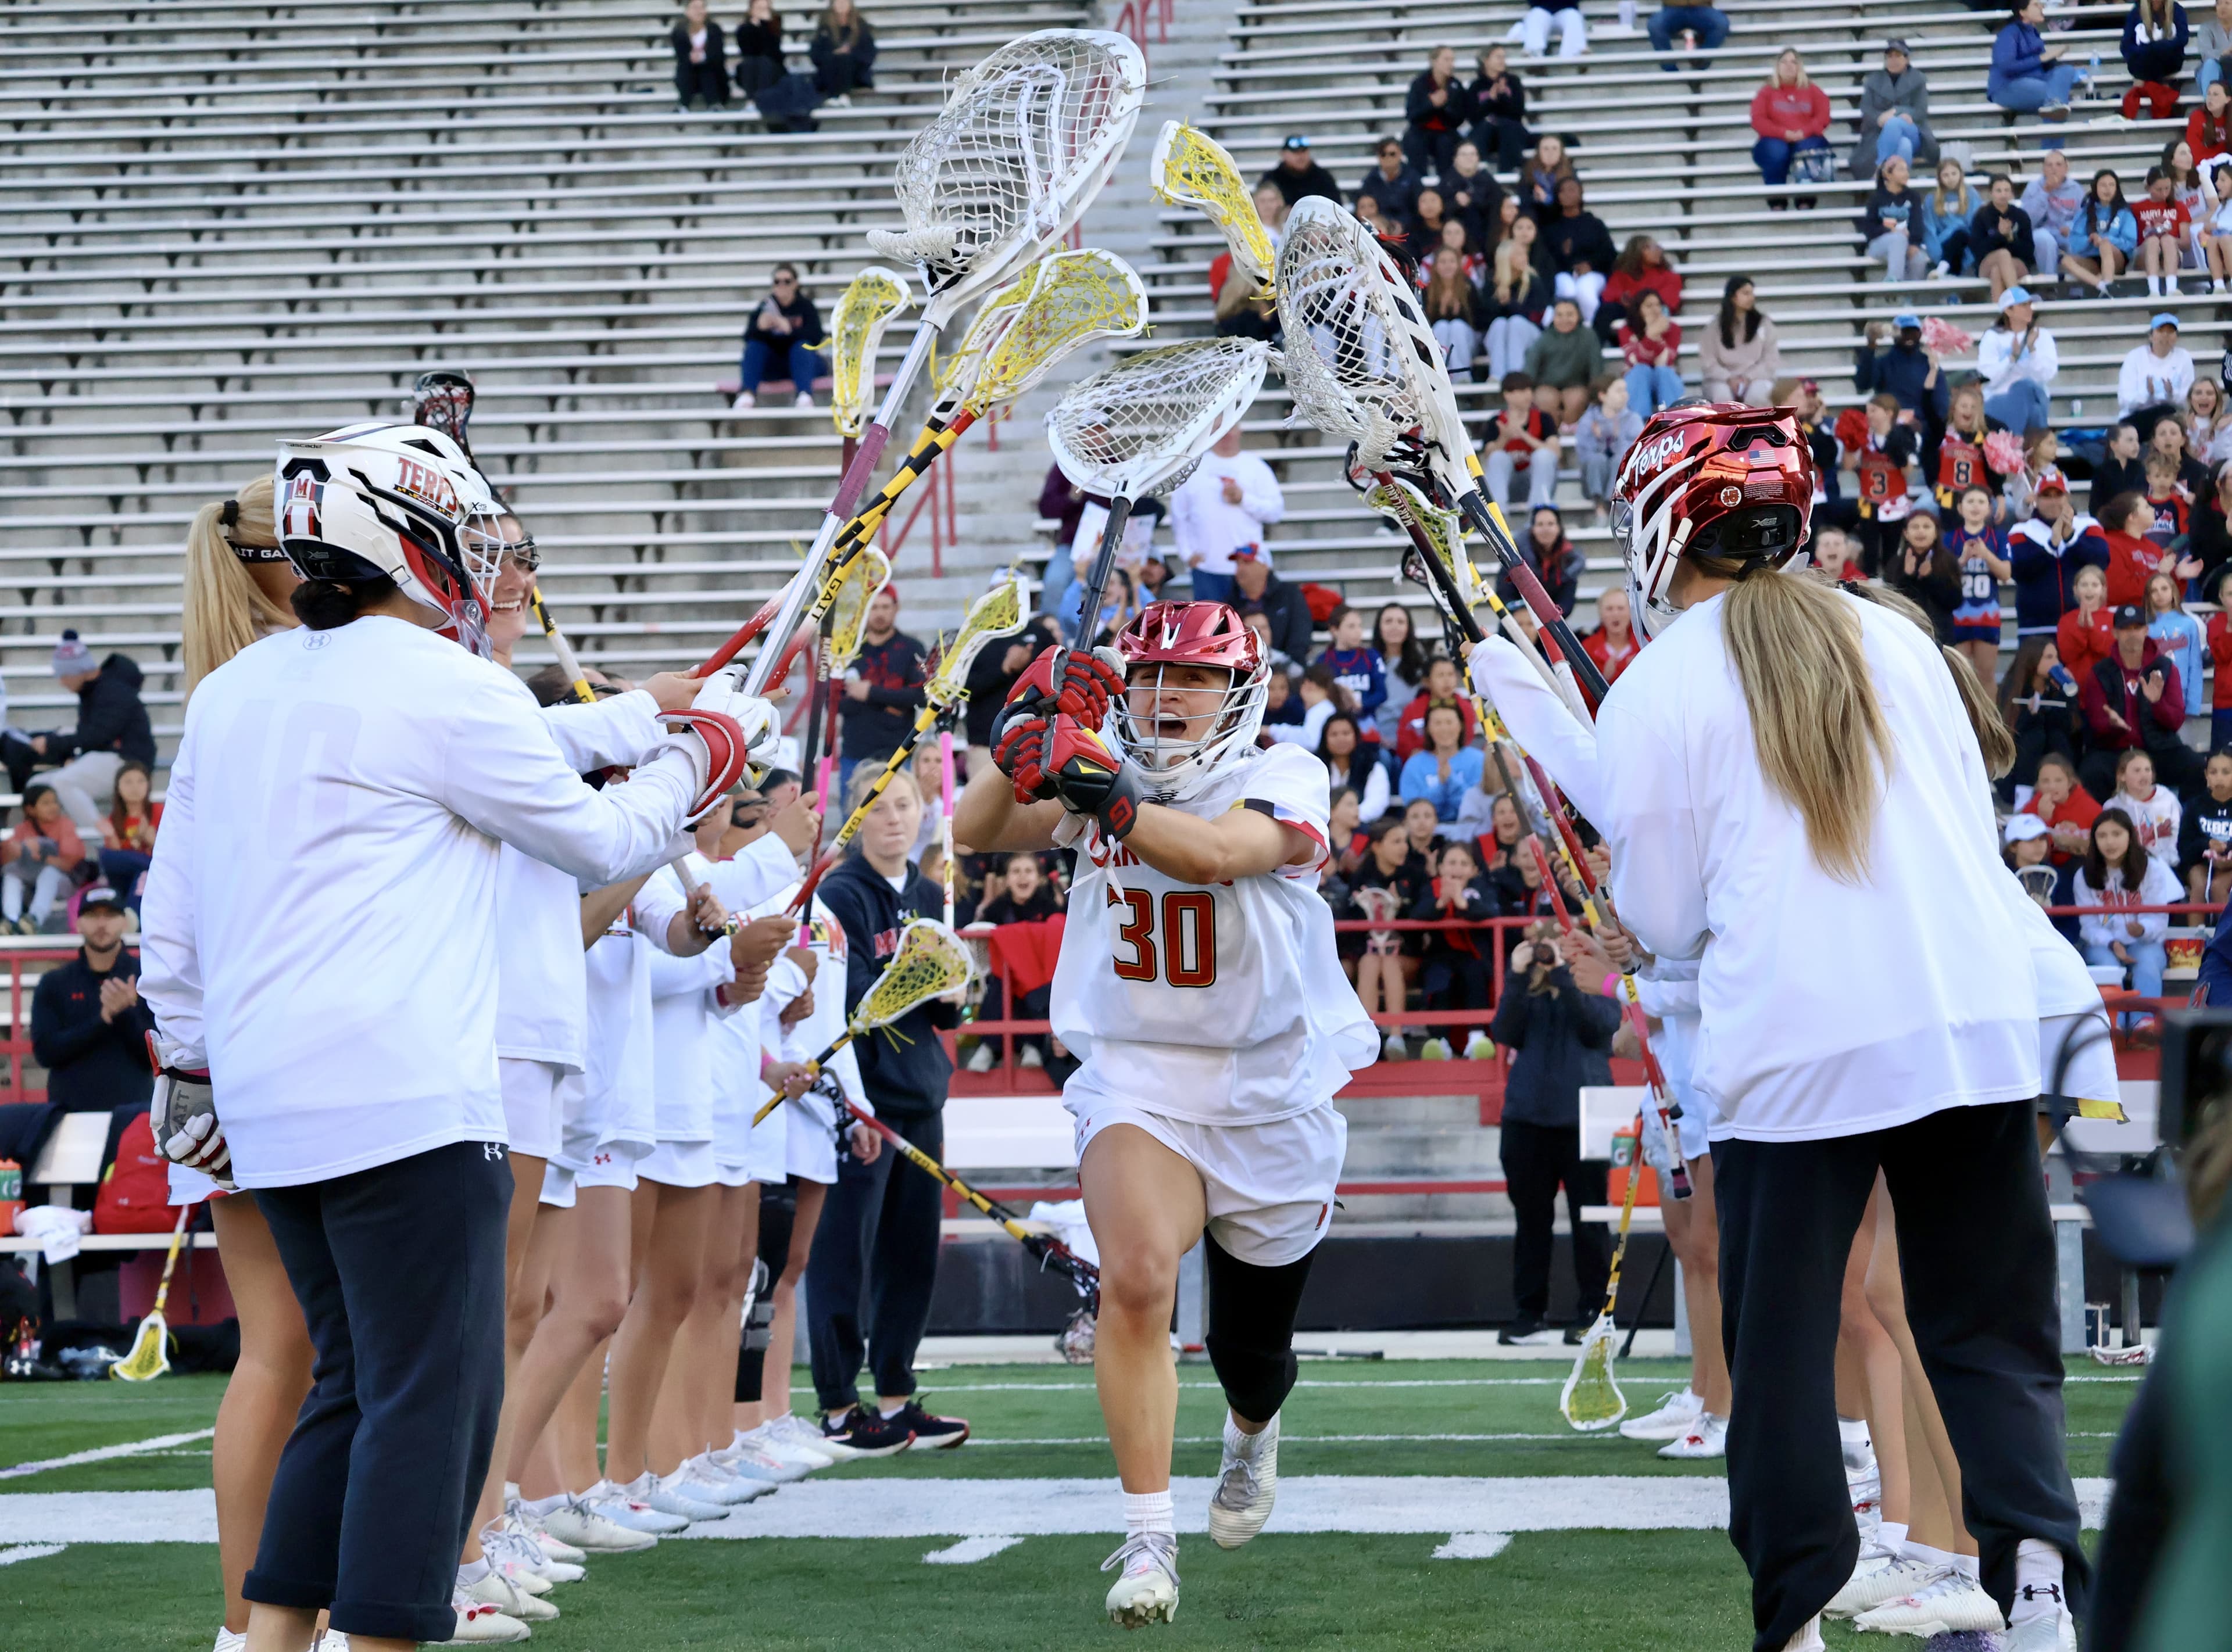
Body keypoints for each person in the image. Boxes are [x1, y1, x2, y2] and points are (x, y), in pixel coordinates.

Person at [1480, 402, 2084, 1652]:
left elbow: (1666, 917)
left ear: (1666, 526)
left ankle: (1796, 1615)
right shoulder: (1894, 636)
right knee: (1991, 1334)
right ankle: (2037, 1593)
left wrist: (1616, 841)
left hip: (1798, 1044)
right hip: (1973, 1019)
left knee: (1783, 1352)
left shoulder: (1662, 682)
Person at [138, 422, 750, 1651]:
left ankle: (271, 1638)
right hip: (407, 1099)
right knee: (433, 1400)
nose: (481, 562)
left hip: (265, 1101)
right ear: (404, 540)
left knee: (349, 1384)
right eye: (463, 536)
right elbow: (598, 839)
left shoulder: (232, 691)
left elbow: (174, 920)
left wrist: (194, 1061)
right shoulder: (443, 681)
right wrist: (699, 758)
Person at [956, 601, 1379, 1626]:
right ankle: (1149, 1535)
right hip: (1137, 1074)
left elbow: (1214, 854)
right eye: (1149, 674)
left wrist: (1104, 791)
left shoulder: (1284, 772)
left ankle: (1251, 1433)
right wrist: (1020, 723)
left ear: (1241, 693)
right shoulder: (1106, 766)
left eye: (1193, 677)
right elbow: (976, 830)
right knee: (1138, 1273)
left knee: (1252, 1355)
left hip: (1271, 1090)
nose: (1166, 694)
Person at [1488, 921, 1618, 1344]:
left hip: (1587, 1115)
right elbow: (1505, 1032)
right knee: (1530, 1220)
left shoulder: (1600, 981)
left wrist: (1565, 974)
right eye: (1541, 946)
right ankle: (1529, 1315)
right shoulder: (1525, 987)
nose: (1549, 953)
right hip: (1527, 1118)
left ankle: (1594, 1313)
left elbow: (1598, 1027)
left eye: (1559, 945)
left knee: (1591, 1219)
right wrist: (1516, 975)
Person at [6, 629, 155, 836]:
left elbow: (98, 736)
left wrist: (53, 744)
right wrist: (75, 757)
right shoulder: (92, 692)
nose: (62, 682)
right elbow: (94, 737)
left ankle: (105, 836)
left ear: (78, 671)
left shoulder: (113, 692)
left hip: (128, 763)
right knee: (36, 787)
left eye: (64, 675)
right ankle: (51, 845)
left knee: (64, 782)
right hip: (107, 759)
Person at [28, 881, 151, 1115]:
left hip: (135, 1116)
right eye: (93, 915)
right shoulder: (54, 983)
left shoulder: (147, 978)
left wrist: (125, 1014)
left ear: (125, 922)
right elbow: (46, 1053)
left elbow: (157, 1055)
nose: (102, 924)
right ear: (78, 923)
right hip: (70, 1116)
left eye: (110, 915)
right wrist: (102, 1020)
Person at [2081, 601, 2203, 797]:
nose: (2132, 634)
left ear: (2146, 631)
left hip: (2157, 748)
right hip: (2115, 750)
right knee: (2091, 772)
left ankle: (2185, 814)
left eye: (2137, 628)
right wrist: (2112, 724)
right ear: (2115, 633)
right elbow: (2097, 722)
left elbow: (2176, 721)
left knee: (2196, 766)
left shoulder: (2165, 667)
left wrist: (2157, 703)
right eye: (2125, 629)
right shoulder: (2100, 672)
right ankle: (2107, 816)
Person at [2076, 807, 2180, 1029]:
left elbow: (2159, 919)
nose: (2110, 842)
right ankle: (2113, 1027)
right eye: (2102, 836)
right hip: (2103, 944)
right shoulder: (2084, 875)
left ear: (2130, 836)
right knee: (2107, 965)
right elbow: (2088, 926)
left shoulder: (2152, 869)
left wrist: (2142, 929)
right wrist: (2112, 943)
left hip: (2145, 941)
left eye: (2117, 834)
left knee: (2148, 964)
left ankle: (2144, 1025)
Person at [1168, 427, 1283, 607]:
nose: (1226, 434)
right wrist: (1187, 554)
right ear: (1210, 431)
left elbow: (1275, 512)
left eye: (1231, 427)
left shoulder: (1256, 467)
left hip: (1250, 566)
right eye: (1219, 428)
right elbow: (1179, 515)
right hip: (1207, 568)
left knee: (1251, 622)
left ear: (1240, 431)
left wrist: (1244, 499)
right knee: (1210, 624)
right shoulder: (1193, 467)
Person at [838, 584, 926, 794]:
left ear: (896, 608)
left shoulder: (911, 648)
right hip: (855, 753)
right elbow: (834, 702)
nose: (880, 614)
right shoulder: (848, 650)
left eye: (886, 607)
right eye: (874, 607)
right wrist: (890, 701)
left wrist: (870, 693)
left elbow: (920, 696)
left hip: (897, 753)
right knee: (851, 811)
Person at [2008, 470, 2109, 640]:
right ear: (2036, 499)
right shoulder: (2021, 531)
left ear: (2067, 497)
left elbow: (2102, 561)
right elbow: (2019, 570)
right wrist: (2051, 545)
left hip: (2084, 623)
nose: (2053, 501)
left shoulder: (2088, 525)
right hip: (2035, 628)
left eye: (2058, 495)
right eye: (2047, 496)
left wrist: (2070, 538)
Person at [732, 264, 827, 410]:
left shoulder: (806, 306)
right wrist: (761, 329)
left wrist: (789, 330)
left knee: (802, 347)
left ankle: (804, 395)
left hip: (803, 365)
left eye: (787, 281)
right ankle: (747, 394)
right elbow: (749, 337)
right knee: (754, 347)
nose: (782, 285)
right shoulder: (765, 307)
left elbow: (816, 337)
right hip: (774, 366)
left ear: (796, 284)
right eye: (777, 282)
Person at [2000, 637, 2083, 800]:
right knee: (2035, 736)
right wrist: (2031, 714)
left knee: (2056, 736)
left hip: (2055, 748)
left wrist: (2065, 692)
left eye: (2057, 657)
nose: (2056, 663)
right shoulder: (2014, 687)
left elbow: (2069, 725)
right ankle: (2023, 798)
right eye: (2049, 658)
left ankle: (2065, 791)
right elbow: (2011, 728)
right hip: (2021, 759)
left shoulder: (2058, 686)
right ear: (2034, 660)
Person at [1946, 483, 2015, 677]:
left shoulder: (1998, 538)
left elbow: (2006, 574)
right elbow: (1943, 577)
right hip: (1957, 615)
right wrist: (1962, 560)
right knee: (1959, 677)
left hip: (1987, 617)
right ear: (1960, 508)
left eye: (1981, 502)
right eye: (1970, 501)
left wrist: (1986, 554)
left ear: (1989, 508)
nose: (1975, 506)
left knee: (1986, 675)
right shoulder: (1950, 539)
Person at [1990, 0, 2078, 145]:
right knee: (2056, 96)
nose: (2042, 7)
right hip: (2007, 87)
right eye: (2036, 5)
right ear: (2023, 12)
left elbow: (2043, 66)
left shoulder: (2033, 33)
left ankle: (2054, 104)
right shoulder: (2009, 33)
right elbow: (2006, 67)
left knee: (2066, 71)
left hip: (2035, 82)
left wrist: (2053, 57)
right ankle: (2052, 152)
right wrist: (2043, 58)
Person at [1750, 48, 1833, 200]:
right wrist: (1783, 134)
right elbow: (1758, 120)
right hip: (1774, 141)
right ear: (1778, 67)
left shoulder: (1813, 91)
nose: (1789, 66)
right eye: (1784, 62)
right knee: (1777, 151)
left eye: (1794, 62)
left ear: (1800, 67)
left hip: (1806, 139)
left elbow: (1823, 117)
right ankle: (1777, 202)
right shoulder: (1766, 92)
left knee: (1808, 149)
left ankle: (1805, 202)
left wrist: (1804, 132)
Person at [2, 783, 82, 934]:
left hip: (63, 883)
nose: (53, 807)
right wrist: (19, 849)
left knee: (49, 873)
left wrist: (41, 855)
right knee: (11, 875)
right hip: (31, 885)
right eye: (46, 803)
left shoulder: (66, 825)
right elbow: (7, 860)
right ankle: (11, 920)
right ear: (30, 809)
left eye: (55, 802)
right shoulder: (23, 829)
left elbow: (69, 863)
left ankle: (34, 920)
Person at [1854, 39, 1937, 178]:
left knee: (1894, 123)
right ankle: (1899, 181)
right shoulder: (1874, 81)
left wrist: (1897, 112)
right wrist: (1879, 119)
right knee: (1904, 145)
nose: (1893, 60)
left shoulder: (1918, 79)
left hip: (1913, 131)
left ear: (1907, 59)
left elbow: (1921, 111)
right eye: (1890, 56)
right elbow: (1866, 109)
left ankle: (1881, 169)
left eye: (1898, 56)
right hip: (1878, 134)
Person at [1980, 286, 2058, 433]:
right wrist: (2011, 359)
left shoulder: (2042, 335)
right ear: (2008, 311)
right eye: (2023, 305)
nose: (2029, 309)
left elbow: (2047, 375)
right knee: (2022, 395)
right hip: (2000, 399)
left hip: (2034, 397)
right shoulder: (1992, 337)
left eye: (2030, 304)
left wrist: (2033, 350)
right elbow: (1988, 378)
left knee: (2025, 387)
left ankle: (2015, 442)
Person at [1541, 176, 1616, 323]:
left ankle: (1592, 328)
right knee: (1567, 290)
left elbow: (1609, 254)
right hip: (1563, 274)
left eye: (1572, 190)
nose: (1567, 194)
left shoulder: (1594, 224)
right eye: (1562, 191)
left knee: (1585, 290)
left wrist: (1590, 265)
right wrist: (1563, 254)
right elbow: (1547, 260)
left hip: (1593, 274)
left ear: (1580, 194)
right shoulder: (1552, 228)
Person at [1854, 310, 1948, 426]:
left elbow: (1941, 407)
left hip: (1922, 429)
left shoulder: (1931, 366)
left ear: (1920, 334)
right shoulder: (1883, 363)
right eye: (1904, 332)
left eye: (1913, 332)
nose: (1909, 336)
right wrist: (1871, 346)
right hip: (1890, 428)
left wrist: (1923, 425)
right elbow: (1863, 384)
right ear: (1895, 335)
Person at [1485, 370, 1562, 511]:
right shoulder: (1496, 421)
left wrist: (1524, 435)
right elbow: (1488, 456)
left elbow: (1555, 452)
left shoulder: (1543, 418)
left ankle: (1538, 511)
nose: (1528, 394)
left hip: (1536, 480)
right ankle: (1498, 514)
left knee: (1544, 456)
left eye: (1529, 390)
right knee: (1498, 458)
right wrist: (1505, 438)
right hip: (1509, 482)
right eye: (1522, 390)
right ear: (1507, 395)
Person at [1487, 217, 1553, 380]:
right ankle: (1497, 375)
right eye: (1518, 255)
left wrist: (1510, 304)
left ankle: (1516, 376)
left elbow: (1536, 316)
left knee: (1516, 323)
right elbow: (1484, 318)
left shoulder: (1534, 281)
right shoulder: (1492, 283)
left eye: (1524, 254)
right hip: (1501, 335)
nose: (1524, 258)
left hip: (1532, 333)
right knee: (1500, 324)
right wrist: (1499, 303)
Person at [1698, 277, 1780, 403]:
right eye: (1746, 293)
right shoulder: (1714, 327)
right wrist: (1728, 378)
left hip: (1757, 378)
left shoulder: (1764, 324)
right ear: (1733, 297)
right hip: (1721, 380)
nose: (1751, 298)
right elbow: (1708, 361)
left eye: (1752, 293)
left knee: (1758, 396)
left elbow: (1770, 359)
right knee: (1722, 397)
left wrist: (1749, 377)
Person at [1399, 703, 1485, 823]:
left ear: (1461, 726)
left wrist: (1452, 781)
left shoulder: (1478, 760)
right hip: (1427, 831)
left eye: (1449, 722)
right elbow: (1413, 808)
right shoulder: (1414, 765)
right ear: (1428, 729)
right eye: (1438, 723)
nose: (1444, 729)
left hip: (1470, 828)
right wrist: (1441, 786)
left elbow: (1478, 806)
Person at [1228, 548, 1313, 667]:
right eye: (1238, 564)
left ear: (1265, 566)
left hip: (1287, 669)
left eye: (1247, 563)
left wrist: (1285, 669)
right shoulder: (1229, 602)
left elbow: (1300, 636)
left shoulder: (1290, 595)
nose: (1240, 569)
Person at [1522, 296, 1599, 426]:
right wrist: (1526, 389)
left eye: (1570, 315)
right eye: (1559, 315)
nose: (1564, 320)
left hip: (1577, 385)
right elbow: (1531, 365)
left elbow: (1596, 367)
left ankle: (1569, 432)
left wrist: (1596, 392)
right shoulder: (1545, 337)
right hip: (1546, 385)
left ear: (1578, 316)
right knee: (1546, 400)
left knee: (1575, 400)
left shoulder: (1589, 336)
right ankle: (1552, 432)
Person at [1888, 511, 1962, 644]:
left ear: (1936, 533)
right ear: (1906, 533)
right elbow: (1892, 602)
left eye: (1926, 527)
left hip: (1941, 635)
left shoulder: (1948, 561)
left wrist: (1930, 578)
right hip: (1907, 634)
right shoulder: (1896, 563)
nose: (1921, 531)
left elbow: (1955, 601)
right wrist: (1908, 577)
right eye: (1915, 527)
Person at [1596, 234, 1682, 349]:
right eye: (1649, 247)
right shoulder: (1622, 275)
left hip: (1652, 315)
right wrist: (1621, 298)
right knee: (1607, 310)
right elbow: (1608, 295)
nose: (1657, 251)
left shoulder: (1670, 277)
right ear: (1637, 252)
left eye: (1658, 247)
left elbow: (1669, 302)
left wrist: (1637, 303)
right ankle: (1594, 348)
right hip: (1628, 313)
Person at [2061, 168, 2138, 293]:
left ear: (2117, 188)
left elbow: (2130, 243)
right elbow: (2074, 242)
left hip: (2117, 259)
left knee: (2105, 245)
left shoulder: (2124, 212)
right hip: (2093, 260)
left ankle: (2108, 282)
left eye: (2111, 185)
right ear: (2095, 187)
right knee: (2066, 260)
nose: (2107, 189)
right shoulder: (2085, 212)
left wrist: (2105, 240)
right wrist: (2090, 239)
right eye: (2103, 185)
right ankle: (2103, 287)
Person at [1575, 374, 1644, 513]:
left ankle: (1613, 503)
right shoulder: (1588, 420)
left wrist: (1617, 438)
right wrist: (1600, 441)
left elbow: (1636, 453)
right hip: (1594, 476)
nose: (1625, 395)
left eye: (1625, 390)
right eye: (1619, 391)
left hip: (1624, 479)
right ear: (1603, 396)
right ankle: (1599, 505)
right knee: (1597, 460)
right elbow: (1583, 454)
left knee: (1619, 461)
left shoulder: (1633, 419)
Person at [1503, 504, 1585, 618]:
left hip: (1554, 622)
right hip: (1519, 621)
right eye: (1540, 524)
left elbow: (1567, 602)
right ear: (1532, 529)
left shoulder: (1569, 560)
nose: (1545, 529)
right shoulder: (1514, 556)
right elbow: (1505, 594)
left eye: (1551, 524)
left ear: (1559, 528)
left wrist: (1550, 617)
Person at [1403, 46, 1472, 181]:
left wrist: (1443, 107)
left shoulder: (1456, 85)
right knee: (1414, 142)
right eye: (1446, 60)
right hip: (1421, 132)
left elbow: (1460, 117)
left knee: (1447, 144)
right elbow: (1412, 115)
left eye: (1452, 60)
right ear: (1434, 61)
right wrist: (1431, 105)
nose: (1451, 64)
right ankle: (1418, 184)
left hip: (1446, 132)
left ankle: (1447, 184)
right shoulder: (1419, 84)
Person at [98, 759, 159, 909]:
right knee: (106, 855)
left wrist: (151, 840)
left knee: (144, 873)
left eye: (140, 781)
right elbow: (116, 857)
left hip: (153, 873)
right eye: (128, 782)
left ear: (149, 785)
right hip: (125, 875)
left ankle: (131, 913)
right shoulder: (114, 819)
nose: (135, 787)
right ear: (118, 788)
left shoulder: (159, 811)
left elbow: (171, 851)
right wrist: (135, 840)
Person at [1858, 155, 1929, 284]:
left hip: (1907, 245)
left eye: (1907, 170)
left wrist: (1914, 244)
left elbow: (1917, 224)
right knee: (1898, 239)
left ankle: (1911, 296)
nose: (1906, 174)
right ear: (1888, 175)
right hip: (1880, 245)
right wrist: (1891, 231)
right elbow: (1869, 228)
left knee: (1919, 259)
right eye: (1901, 170)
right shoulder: (1876, 199)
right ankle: (1894, 281)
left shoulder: (1913, 197)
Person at [2146, 567, 2208, 715]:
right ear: (2148, 596)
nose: (2160, 594)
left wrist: (2193, 705)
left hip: (2181, 693)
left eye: (2164, 588)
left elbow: (2195, 665)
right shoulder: (2144, 626)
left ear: (2173, 591)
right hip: (2151, 694)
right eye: (2154, 591)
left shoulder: (2189, 623)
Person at [1421, 247, 1488, 381]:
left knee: (1457, 326)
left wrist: (1460, 309)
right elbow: (1426, 323)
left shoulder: (1468, 287)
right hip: (1439, 335)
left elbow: (1479, 321)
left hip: (1468, 339)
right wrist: (1441, 310)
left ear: (1458, 264)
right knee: (1442, 326)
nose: (1448, 266)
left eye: (1452, 261)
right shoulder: (1428, 290)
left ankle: (1461, 377)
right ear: (1436, 266)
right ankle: (1441, 377)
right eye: (1443, 262)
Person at [2119, 312, 2196, 426]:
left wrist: (2172, 394)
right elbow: (2125, 400)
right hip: (2137, 417)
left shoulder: (2184, 357)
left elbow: (2189, 399)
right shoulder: (2135, 357)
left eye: (2170, 332)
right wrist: (2148, 395)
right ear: (2151, 336)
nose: (2165, 335)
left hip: (2172, 418)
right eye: (2160, 331)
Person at [1615, 289, 1684, 415]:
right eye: (1649, 306)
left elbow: (1667, 360)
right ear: (1638, 310)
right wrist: (1651, 335)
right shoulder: (1626, 329)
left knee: (1663, 371)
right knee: (1641, 370)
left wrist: (1655, 336)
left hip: (1665, 378)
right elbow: (1634, 360)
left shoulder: (1674, 329)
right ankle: (1640, 420)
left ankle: (1673, 418)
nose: (1655, 310)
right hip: (1638, 378)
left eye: (1658, 305)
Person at [1972, 174, 2038, 302]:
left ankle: (1999, 312)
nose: (2003, 195)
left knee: (1997, 271)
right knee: (2002, 254)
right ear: (1991, 193)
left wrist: (2011, 238)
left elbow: (2029, 252)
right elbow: (1978, 251)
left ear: (2012, 193)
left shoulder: (2021, 215)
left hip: (2017, 264)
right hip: (1986, 264)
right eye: (1999, 191)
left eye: (2007, 190)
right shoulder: (1981, 216)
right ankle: (2017, 300)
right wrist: (1999, 235)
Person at [2121, 0, 2190, 123]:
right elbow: (2126, 46)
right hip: (2143, 62)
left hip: (2169, 61)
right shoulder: (2136, 11)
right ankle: (2163, 88)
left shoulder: (2176, 10)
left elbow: (2183, 38)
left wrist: (2160, 47)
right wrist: (2146, 50)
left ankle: (2144, 85)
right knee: (2148, 53)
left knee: (2156, 50)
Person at [2020, 149, 2086, 278]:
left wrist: (2071, 227)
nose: (2054, 169)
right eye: (2049, 165)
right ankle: (2049, 283)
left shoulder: (2076, 189)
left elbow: (2083, 217)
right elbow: (2027, 220)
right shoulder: (2033, 187)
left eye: (2058, 165)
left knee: (2077, 239)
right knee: (2044, 240)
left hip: (2066, 231)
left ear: (2066, 168)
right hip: (2041, 231)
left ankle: (2076, 287)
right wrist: (2045, 191)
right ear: (2044, 169)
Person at [1318, 711, 1391, 824]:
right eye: (1334, 734)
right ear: (1325, 739)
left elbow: (1376, 804)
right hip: (1322, 825)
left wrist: (1346, 817)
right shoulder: (1316, 768)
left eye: (1346, 733)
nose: (1341, 739)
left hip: (1361, 827)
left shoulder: (1373, 767)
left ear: (1356, 736)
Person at [2179, 744, 2232, 898]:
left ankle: (2224, 917)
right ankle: (2197, 917)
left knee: (2218, 887)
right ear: (2206, 775)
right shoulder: (2194, 806)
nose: (2219, 777)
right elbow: (2184, 847)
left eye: (2226, 772)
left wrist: (2227, 850)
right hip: (2201, 862)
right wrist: (2207, 845)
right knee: (2200, 885)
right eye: (2213, 772)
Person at [2135, 166, 2194, 298]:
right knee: (2153, 240)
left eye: (2167, 188)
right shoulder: (2137, 208)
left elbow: (2186, 243)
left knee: (2167, 239)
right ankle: (2154, 291)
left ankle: (2171, 289)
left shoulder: (2179, 207)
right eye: (2159, 189)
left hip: (2171, 252)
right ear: (2148, 187)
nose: (2164, 194)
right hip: (2145, 254)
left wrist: (2168, 237)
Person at [1469, 45, 1531, 169]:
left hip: (1512, 132)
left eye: (1504, 57)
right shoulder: (1476, 86)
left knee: (1507, 127)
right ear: (1485, 60)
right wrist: (1491, 100)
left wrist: (1503, 97)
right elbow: (1473, 118)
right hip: (1487, 135)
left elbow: (1518, 113)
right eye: (1498, 57)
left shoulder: (1513, 82)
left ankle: (1507, 172)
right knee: (1484, 128)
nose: (1503, 61)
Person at [1922, 156, 1982, 279]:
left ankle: (1943, 271)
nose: (1951, 179)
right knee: (1956, 239)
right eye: (1946, 175)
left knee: (1960, 235)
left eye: (1954, 174)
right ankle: (1950, 275)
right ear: (1940, 178)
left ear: (1961, 174)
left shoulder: (1971, 195)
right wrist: (1937, 255)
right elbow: (1929, 231)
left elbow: (1976, 226)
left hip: (1967, 242)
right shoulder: (1931, 199)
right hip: (1942, 243)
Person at [808, 0, 874, 101]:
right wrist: (834, 54)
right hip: (830, 70)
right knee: (836, 60)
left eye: (844, 2)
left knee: (845, 60)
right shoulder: (825, 26)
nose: (842, 5)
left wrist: (850, 54)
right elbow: (816, 53)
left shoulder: (860, 25)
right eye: (838, 2)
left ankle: (843, 95)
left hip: (855, 72)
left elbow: (868, 52)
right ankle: (835, 96)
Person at [1354, 136, 1422, 228]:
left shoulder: (1413, 178)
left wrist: (1402, 224)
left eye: (1392, 154)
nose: (1388, 158)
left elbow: (1418, 208)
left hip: (1410, 228)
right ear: (1378, 156)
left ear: (1400, 154)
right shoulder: (1370, 181)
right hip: (1379, 228)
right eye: (1383, 154)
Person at [671, 0, 728, 109]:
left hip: (712, 76)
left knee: (706, 68)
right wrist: (691, 58)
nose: (699, 11)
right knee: (686, 69)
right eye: (695, 8)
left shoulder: (714, 29)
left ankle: (714, 104)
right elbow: (681, 56)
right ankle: (684, 105)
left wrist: (703, 57)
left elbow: (719, 56)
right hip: (690, 74)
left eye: (701, 8)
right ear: (687, 11)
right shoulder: (679, 32)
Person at [1258, 134, 1342, 207]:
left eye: (1303, 151)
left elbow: (1336, 207)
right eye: (1295, 152)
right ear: (1283, 154)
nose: (1300, 156)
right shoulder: (1272, 179)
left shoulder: (1323, 178)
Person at [1647, 0, 1730, 72]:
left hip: (1702, 8)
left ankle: (1701, 63)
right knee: (1655, 25)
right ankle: (1670, 70)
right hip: (1672, 8)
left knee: (1721, 24)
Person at [1582, 585, 1642, 683]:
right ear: (1601, 613)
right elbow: (1578, 688)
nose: (1615, 614)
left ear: (1631, 612)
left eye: (1621, 608)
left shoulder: (1646, 646)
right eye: (1609, 609)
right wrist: (1603, 681)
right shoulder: (1588, 648)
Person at [731, 0, 785, 98]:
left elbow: (773, 51)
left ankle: (762, 99)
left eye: (765, 9)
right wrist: (753, 26)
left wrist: (765, 24)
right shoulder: (744, 29)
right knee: (749, 63)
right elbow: (747, 51)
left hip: (772, 66)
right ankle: (752, 100)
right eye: (759, 9)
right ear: (751, 10)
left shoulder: (774, 24)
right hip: (751, 66)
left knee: (765, 63)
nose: (761, 12)